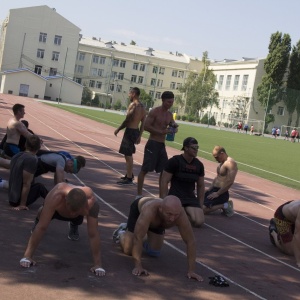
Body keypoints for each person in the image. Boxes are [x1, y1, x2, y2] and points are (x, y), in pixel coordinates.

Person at [19, 183, 106, 277]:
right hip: (58, 209)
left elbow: (93, 234)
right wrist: (27, 256)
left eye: (75, 212)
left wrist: (98, 265)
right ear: (66, 201)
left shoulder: (91, 203)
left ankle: (74, 223)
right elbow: (42, 227)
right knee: (42, 215)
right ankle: (37, 219)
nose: (72, 213)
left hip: (78, 211)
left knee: (77, 219)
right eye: (71, 211)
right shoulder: (55, 197)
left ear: (85, 205)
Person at [112, 196, 203, 281]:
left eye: (176, 215)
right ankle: (121, 232)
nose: (172, 219)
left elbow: (190, 241)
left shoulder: (180, 215)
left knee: (154, 252)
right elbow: (138, 238)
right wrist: (138, 266)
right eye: (169, 214)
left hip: (158, 222)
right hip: (140, 212)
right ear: (160, 209)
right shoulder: (149, 211)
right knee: (128, 250)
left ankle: (146, 233)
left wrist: (192, 271)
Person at [136, 91, 178, 199]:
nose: (170, 104)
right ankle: (139, 195)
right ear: (163, 100)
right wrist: (160, 132)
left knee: (164, 171)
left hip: (161, 145)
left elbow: (172, 124)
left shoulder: (169, 114)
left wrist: (174, 127)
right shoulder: (155, 112)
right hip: (152, 143)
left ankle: (162, 196)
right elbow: (146, 126)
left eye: (172, 102)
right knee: (145, 170)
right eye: (169, 102)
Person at [160, 137, 205, 227]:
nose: (196, 150)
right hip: (175, 196)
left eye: (197, 148)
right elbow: (164, 181)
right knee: (173, 219)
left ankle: (182, 215)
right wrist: (163, 201)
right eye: (194, 148)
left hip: (190, 197)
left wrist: (200, 205)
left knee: (199, 222)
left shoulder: (199, 165)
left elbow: (201, 186)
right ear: (186, 148)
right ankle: (180, 214)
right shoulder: (174, 161)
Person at [114, 87, 146, 185]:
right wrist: (140, 135)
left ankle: (129, 178)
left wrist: (118, 129)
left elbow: (127, 120)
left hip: (130, 131)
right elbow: (143, 123)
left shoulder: (133, 105)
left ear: (134, 94)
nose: (129, 95)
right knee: (127, 154)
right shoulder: (143, 107)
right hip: (135, 131)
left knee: (128, 155)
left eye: (130, 93)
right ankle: (129, 174)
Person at [8, 135, 48, 210]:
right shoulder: (31, 159)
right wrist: (22, 205)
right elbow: (26, 183)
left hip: (11, 197)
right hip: (17, 201)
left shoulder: (17, 155)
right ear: (38, 147)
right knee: (40, 187)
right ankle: (54, 202)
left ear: (25, 145)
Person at [203, 146, 238, 217]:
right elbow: (217, 177)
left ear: (222, 153)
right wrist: (209, 189)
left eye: (216, 157)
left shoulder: (230, 163)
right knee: (197, 205)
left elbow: (230, 181)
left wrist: (218, 193)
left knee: (203, 210)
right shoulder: (221, 163)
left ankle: (224, 205)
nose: (216, 159)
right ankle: (217, 204)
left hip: (221, 193)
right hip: (214, 190)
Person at [269, 200, 300, 268]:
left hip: (294, 215)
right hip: (284, 217)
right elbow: (297, 234)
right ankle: (274, 233)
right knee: (290, 251)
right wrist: (299, 261)